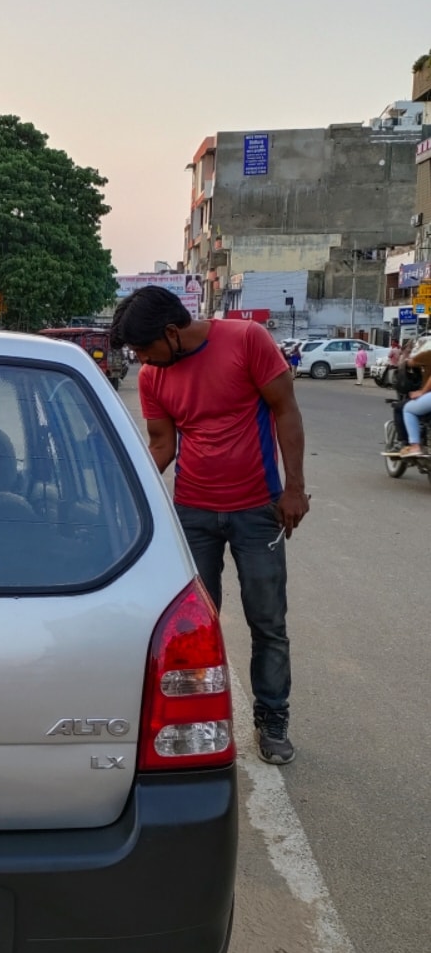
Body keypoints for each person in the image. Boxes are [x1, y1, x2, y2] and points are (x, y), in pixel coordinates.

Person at [111, 286, 310, 766]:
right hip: (193, 514)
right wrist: (120, 498)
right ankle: (198, 720)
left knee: (268, 620)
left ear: (172, 333)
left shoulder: (247, 340)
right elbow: (163, 446)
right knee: (192, 627)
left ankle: (272, 717)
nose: (141, 360)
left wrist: (295, 488)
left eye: (144, 349)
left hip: (256, 509)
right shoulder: (154, 376)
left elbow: (285, 410)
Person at [398, 338, 431, 458]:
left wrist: (422, 391)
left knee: (408, 409)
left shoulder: (427, 354)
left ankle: (415, 446)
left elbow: (409, 362)